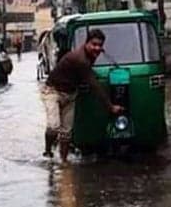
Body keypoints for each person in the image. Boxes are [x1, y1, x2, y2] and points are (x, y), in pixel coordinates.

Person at [41, 29, 124, 164]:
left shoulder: (90, 55)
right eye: (94, 44)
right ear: (86, 43)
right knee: (53, 126)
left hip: (70, 94)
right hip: (52, 91)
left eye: (100, 45)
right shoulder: (80, 59)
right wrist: (111, 107)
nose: (97, 48)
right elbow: (95, 85)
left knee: (67, 132)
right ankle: (48, 151)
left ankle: (63, 161)